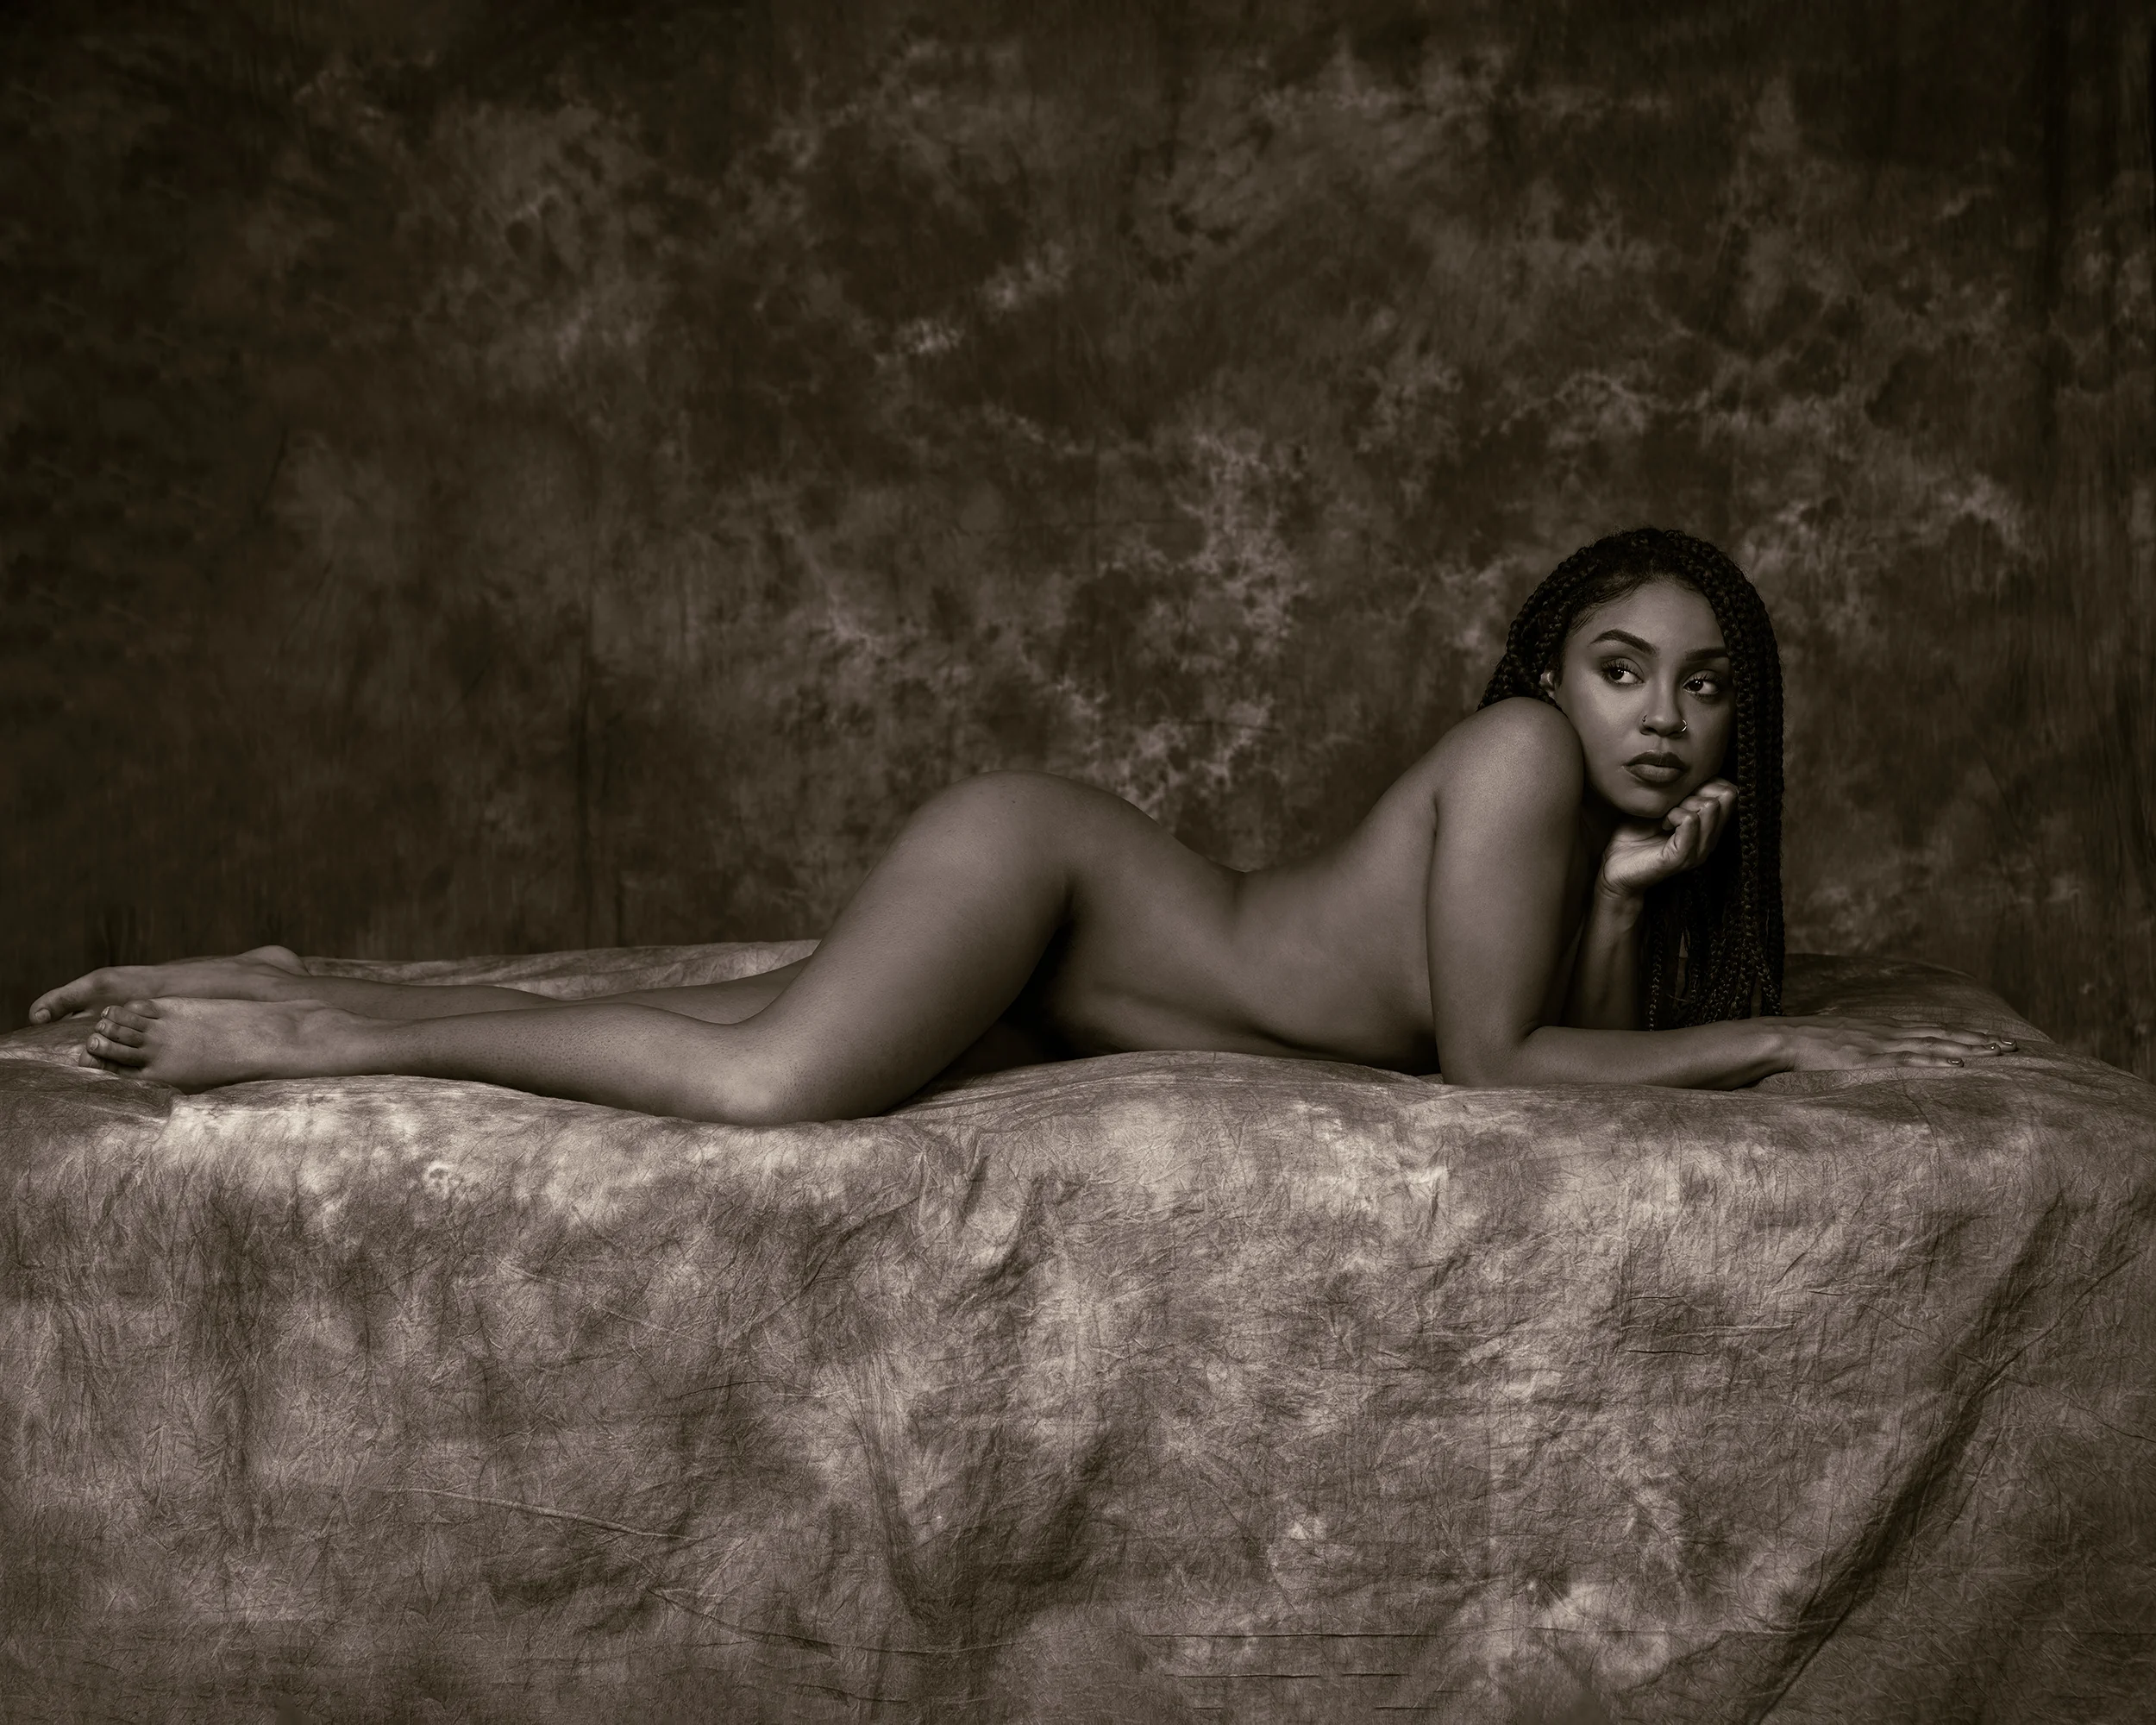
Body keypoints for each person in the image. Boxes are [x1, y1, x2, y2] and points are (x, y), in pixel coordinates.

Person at [31, 527, 2012, 1122]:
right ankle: (295, 1039)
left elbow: (1535, 1053)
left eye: (1703, 685)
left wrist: (1636, 900)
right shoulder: (1510, 758)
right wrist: (1778, 1042)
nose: (1660, 715)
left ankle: (286, 974)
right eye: (1618, 667)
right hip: (1060, 880)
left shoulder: (1578, 832)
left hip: (1086, 977)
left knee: (714, 1023)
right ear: (1547, 674)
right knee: (764, 1086)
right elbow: (1498, 1067)